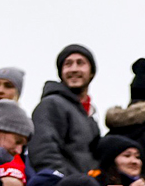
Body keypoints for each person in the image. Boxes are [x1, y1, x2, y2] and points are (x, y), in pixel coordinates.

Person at [29, 42, 102, 176]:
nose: (74, 69)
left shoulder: (90, 116)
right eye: (68, 64)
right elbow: (44, 150)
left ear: (91, 72)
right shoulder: (51, 105)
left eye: (80, 63)